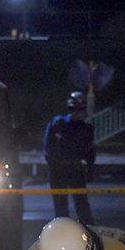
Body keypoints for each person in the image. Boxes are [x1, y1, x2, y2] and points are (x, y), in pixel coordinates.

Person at [43, 91, 95, 224]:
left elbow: (90, 151)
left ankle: (89, 231)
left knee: (82, 203)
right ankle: (63, 230)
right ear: (69, 108)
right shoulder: (58, 123)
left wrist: (90, 169)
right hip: (58, 169)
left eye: (80, 109)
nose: (77, 112)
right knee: (60, 205)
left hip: (76, 168)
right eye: (74, 108)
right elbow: (48, 147)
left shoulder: (86, 128)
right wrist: (53, 166)